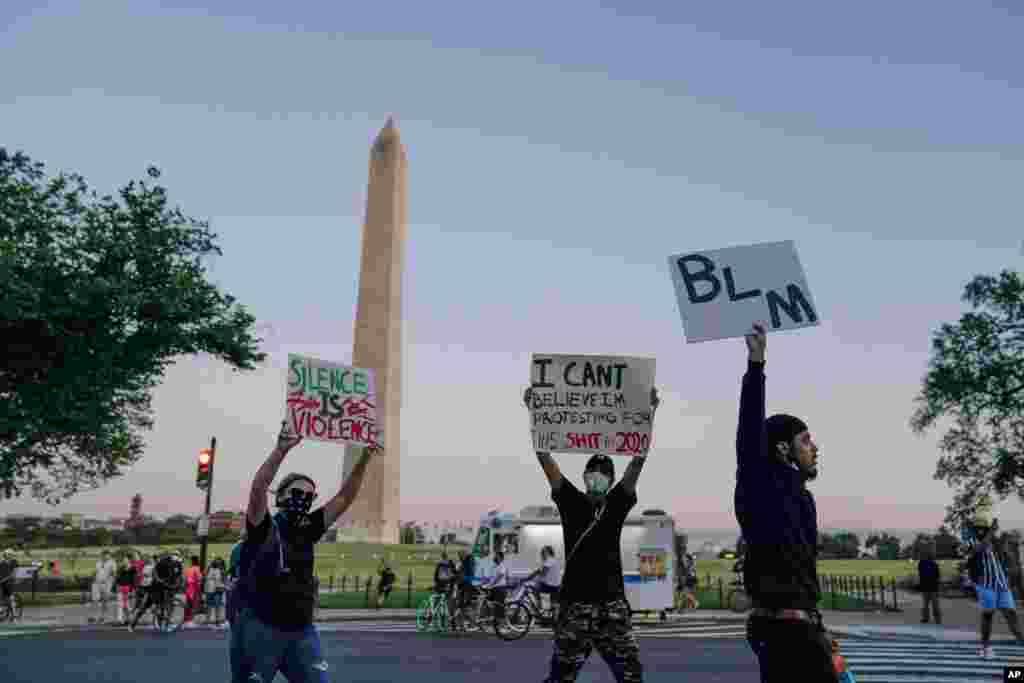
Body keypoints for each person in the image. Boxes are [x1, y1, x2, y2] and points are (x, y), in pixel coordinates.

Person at [524, 384, 660, 683]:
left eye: (602, 473)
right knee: (561, 677)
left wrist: (648, 415)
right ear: (585, 477)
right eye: (591, 471)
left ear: (610, 479)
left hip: (611, 607)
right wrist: (535, 414)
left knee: (631, 676)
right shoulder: (569, 499)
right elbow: (545, 458)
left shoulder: (618, 502)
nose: (595, 476)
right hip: (576, 606)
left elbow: (638, 461)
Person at [232, 420, 378, 683]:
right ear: (280, 496)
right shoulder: (263, 526)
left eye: (310, 496)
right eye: (297, 492)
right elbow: (258, 488)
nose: (304, 498)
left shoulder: (309, 527)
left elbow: (344, 498)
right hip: (261, 628)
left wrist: (365, 457)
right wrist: (281, 450)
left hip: (301, 630)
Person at [734, 323, 836, 682]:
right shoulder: (761, 483)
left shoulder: (802, 497)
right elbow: (749, 430)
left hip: (805, 629)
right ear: (782, 448)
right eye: (805, 440)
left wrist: (820, 630)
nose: (814, 447)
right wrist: (756, 363)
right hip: (783, 633)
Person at [965, 513, 1024, 659]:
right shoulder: (970, 541)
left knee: (1011, 614)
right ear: (974, 529)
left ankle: (1022, 641)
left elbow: (1005, 555)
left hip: (1002, 584)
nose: (981, 530)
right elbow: (978, 550)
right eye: (978, 528)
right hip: (985, 584)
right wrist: (991, 531)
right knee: (988, 614)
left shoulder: (994, 540)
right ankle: (985, 647)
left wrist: (1008, 557)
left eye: (983, 528)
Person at [524, 546, 561, 619]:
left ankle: (540, 606)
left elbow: (542, 572)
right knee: (554, 603)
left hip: (549, 585)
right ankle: (553, 618)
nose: (542, 554)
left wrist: (529, 578)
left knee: (533, 588)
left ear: (547, 552)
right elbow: (541, 572)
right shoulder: (554, 560)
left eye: (543, 552)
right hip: (556, 586)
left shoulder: (549, 560)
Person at [917, 545, 942, 625]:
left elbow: (920, 575)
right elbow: (938, 576)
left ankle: (925, 618)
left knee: (925, 604)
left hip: (925, 587)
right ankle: (937, 619)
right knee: (935, 605)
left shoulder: (921, 564)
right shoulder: (934, 565)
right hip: (933, 587)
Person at [91, 550, 117, 624]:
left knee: (105, 601)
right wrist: (93, 578)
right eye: (103, 555)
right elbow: (95, 571)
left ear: (109, 555)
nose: (105, 557)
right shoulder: (98, 562)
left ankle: (103, 617)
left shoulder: (112, 563)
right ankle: (95, 616)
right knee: (95, 600)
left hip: (106, 583)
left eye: (106, 555)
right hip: (97, 583)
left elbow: (114, 574)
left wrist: (112, 582)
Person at [205, 557, 227, 627]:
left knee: (211, 606)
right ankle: (215, 621)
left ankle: (210, 620)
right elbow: (224, 579)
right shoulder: (220, 570)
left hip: (213, 589)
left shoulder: (211, 569)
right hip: (215, 589)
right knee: (215, 606)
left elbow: (205, 576)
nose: (218, 564)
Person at [115, 556, 137, 624]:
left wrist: (132, 589)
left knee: (127, 605)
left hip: (128, 588)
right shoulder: (121, 568)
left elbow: (134, 580)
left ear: (129, 560)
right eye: (123, 560)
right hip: (121, 588)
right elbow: (118, 578)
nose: (124, 561)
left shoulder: (133, 568)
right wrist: (117, 586)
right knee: (120, 604)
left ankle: (129, 618)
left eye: (125, 560)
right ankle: (119, 619)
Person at [434, 551, 457, 615]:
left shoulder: (439, 564)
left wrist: (436, 583)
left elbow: (436, 576)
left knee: (438, 601)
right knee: (449, 602)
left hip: (441, 585)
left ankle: (431, 615)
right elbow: (454, 574)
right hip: (448, 585)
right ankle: (451, 617)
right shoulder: (451, 563)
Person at [182, 555, 202, 628]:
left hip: (188, 588)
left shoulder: (189, 569)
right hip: (194, 588)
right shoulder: (197, 568)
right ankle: (189, 621)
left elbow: (185, 579)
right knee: (193, 604)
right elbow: (199, 579)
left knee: (188, 604)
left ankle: (186, 620)